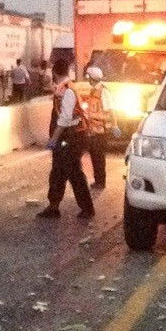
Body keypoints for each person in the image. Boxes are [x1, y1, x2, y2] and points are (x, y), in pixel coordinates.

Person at [37, 58, 94, 220]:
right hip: (70, 136)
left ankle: (87, 208)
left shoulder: (68, 91)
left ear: (54, 73)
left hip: (71, 137)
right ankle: (53, 206)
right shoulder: (65, 89)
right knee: (57, 172)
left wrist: (53, 140)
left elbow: (65, 119)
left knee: (74, 173)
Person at [84, 66, 120, 189]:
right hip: (93, 130)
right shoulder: (94, 91)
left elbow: (111, 111)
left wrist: (115, 125)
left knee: (99, 157)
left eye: (88, 77)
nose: (87, 79)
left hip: (101, 130)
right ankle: (98, 180)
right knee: (94, 156)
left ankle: (101, 181)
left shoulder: (104, 92)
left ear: (92, 78)